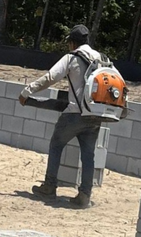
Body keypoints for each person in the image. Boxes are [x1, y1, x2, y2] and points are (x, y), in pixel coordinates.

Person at [18, 24, 102, 208]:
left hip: (74, 113)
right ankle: (85, 195)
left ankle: (49, 186)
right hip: (96, 115)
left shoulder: (71, 58)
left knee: (56, 145)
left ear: (72, 42)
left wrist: (27, 91)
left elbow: (50, 78)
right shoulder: (101, 58)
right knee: (88, 155)